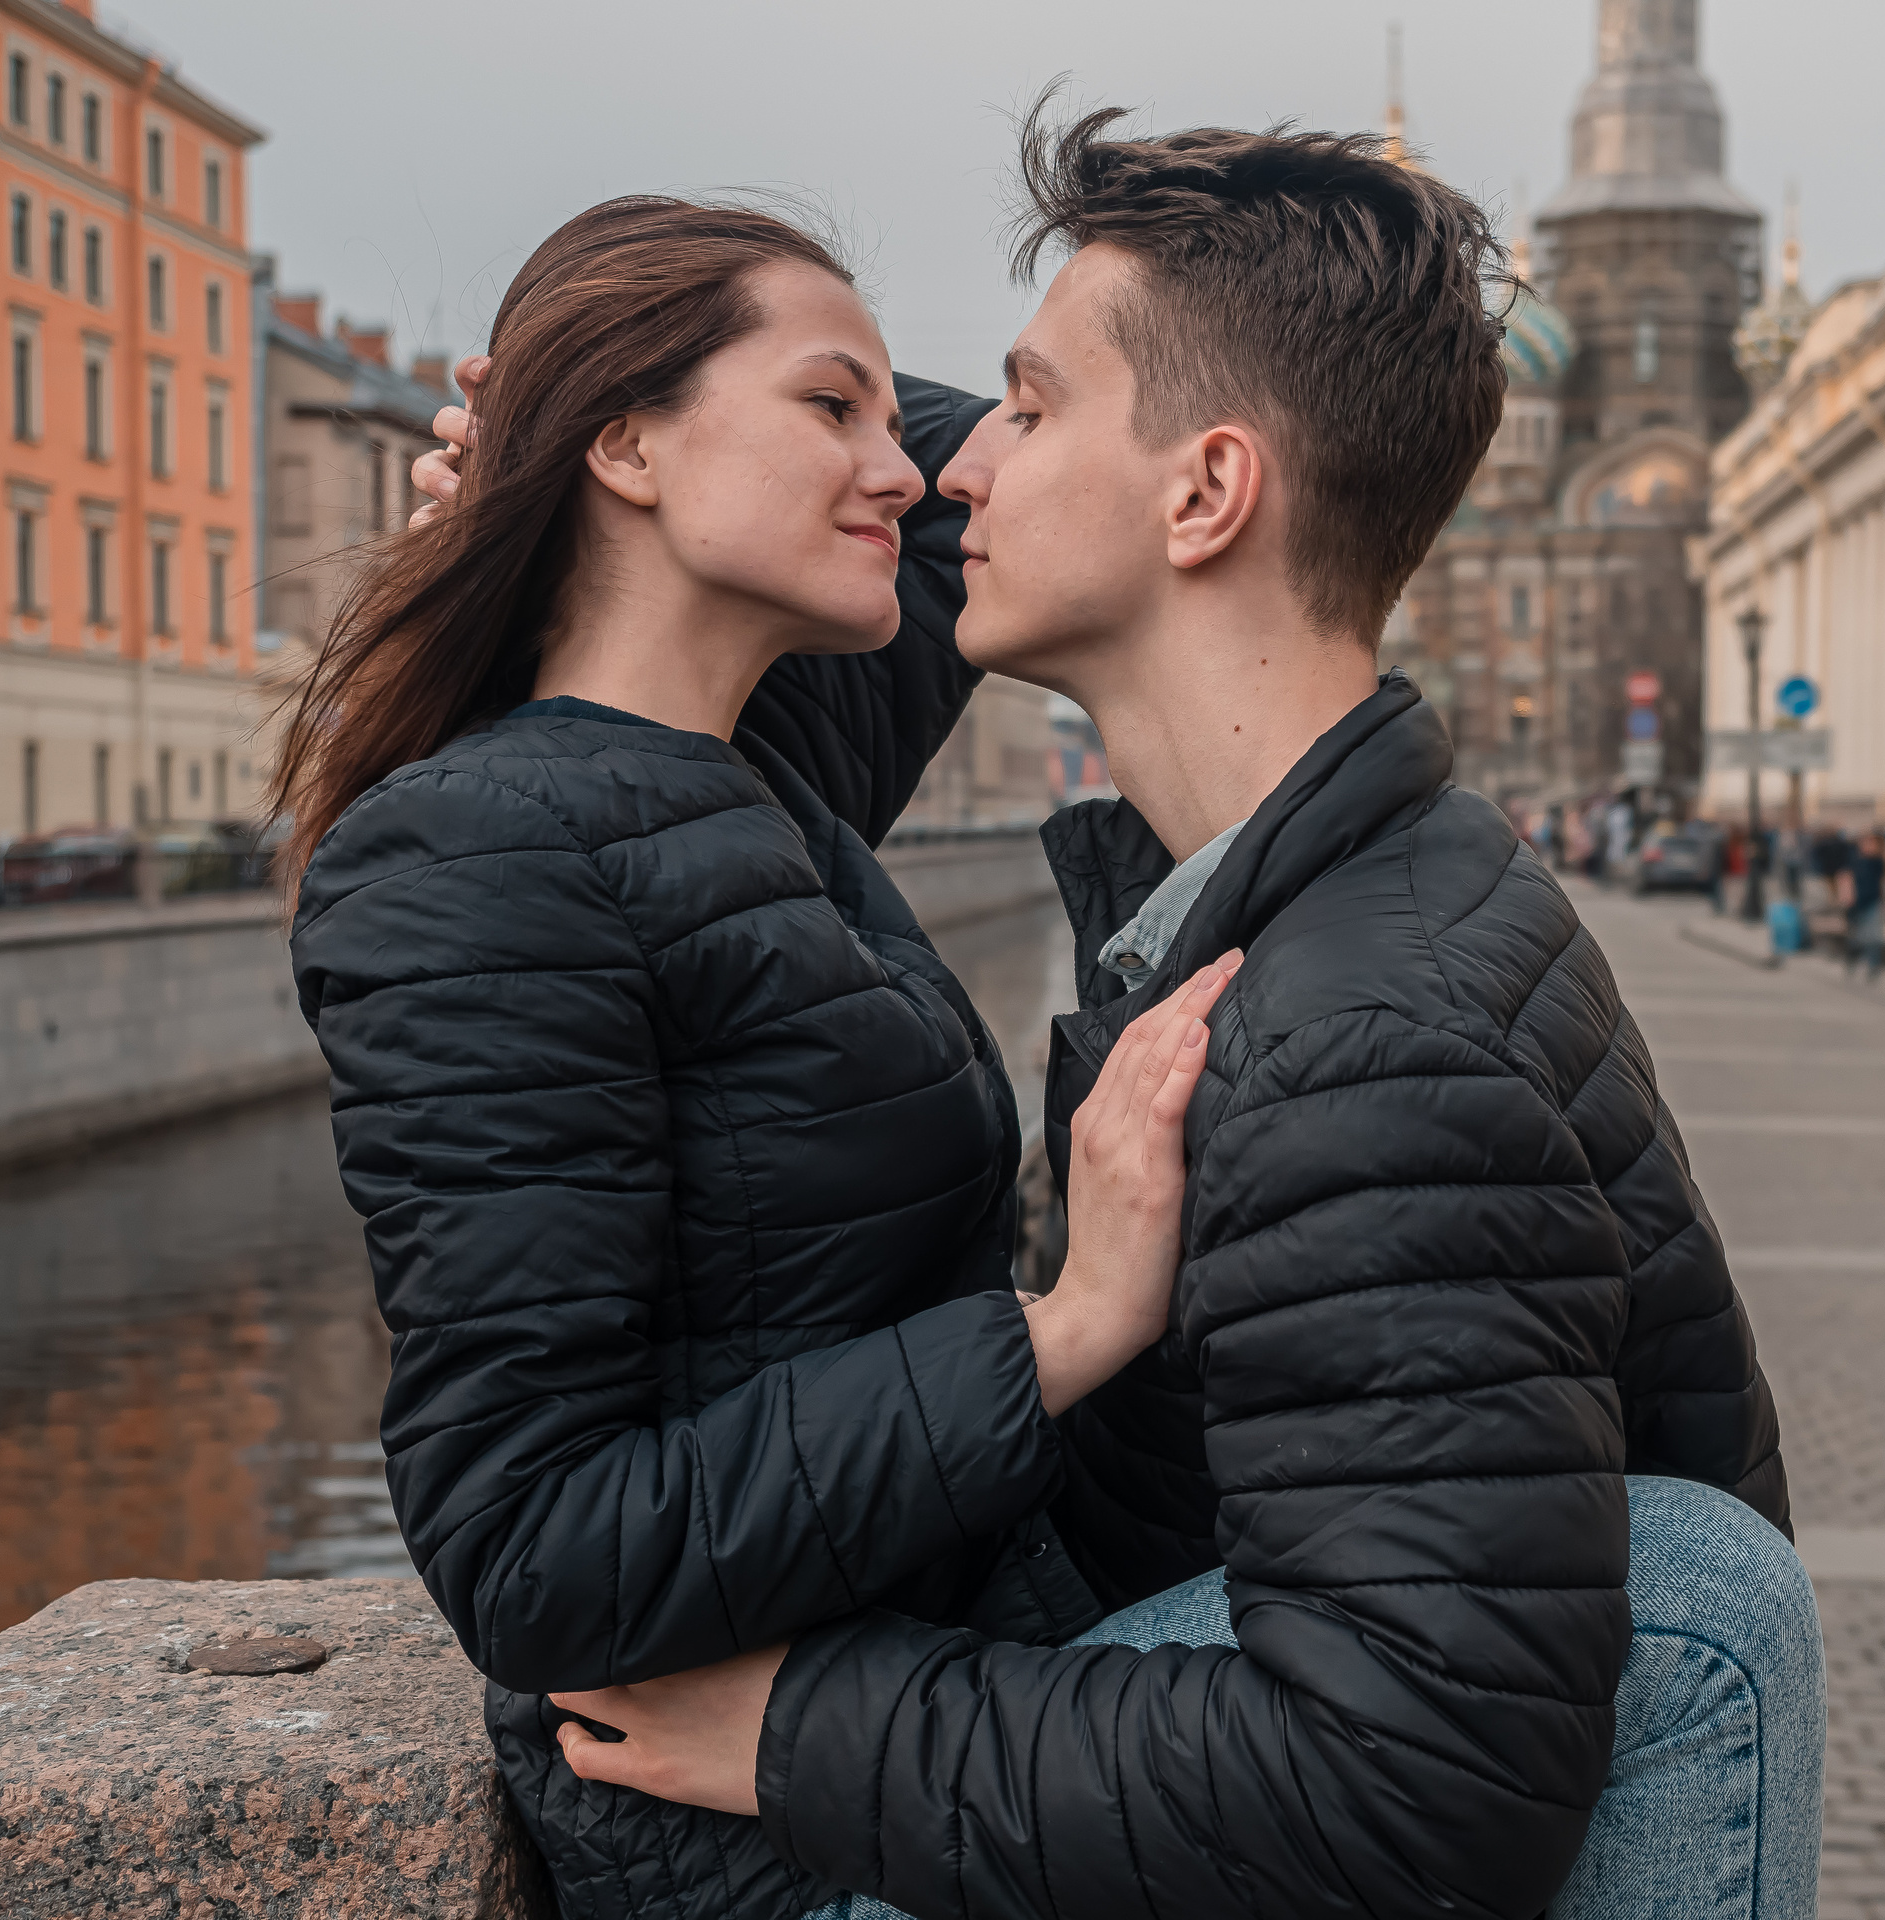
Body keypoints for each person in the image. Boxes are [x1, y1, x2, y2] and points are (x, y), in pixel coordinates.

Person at [416, 119, 1817, 1920]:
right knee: (1699, 1589)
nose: (950, 466)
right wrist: (589, 420)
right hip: (919, 1706)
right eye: (879, 417)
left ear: (1207, 495)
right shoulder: (1359, 884)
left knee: (1695, 1607)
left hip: (824, 1806)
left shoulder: (1356, 1032)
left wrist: (809, 1727)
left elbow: (1410, 1784)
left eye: (1026, 404)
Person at [284, 198, 1239, 1919]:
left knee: (1636, 1585)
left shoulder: (767, 766)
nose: (908, 469)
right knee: (1660, 1640)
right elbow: (530, 1553)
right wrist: (1065, 1327)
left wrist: (606, 422)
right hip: (763, 1842)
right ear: (629, 444)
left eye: (886, 413)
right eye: (831, 410)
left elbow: (983, 453)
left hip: (945, 1693)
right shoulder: (470, 856)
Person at [1838, 828, 1885, 981]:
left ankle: (1873, 966)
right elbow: (1845, 878)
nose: (1871, 847)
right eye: (1868, 843)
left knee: (1873, 936)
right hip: (1856, 903)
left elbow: (1883, 881)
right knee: (1856, 937)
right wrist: (1846, 897)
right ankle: (1851, 961)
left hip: (1872, 901)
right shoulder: (1854, 860)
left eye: (1874, 844)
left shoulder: (1878, 861)